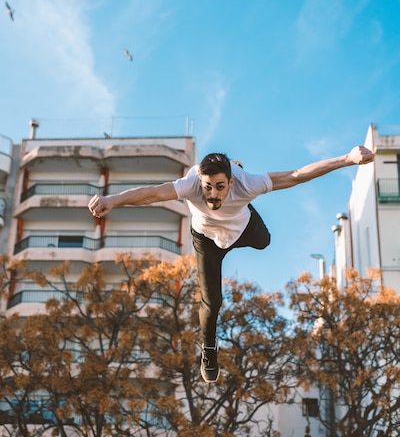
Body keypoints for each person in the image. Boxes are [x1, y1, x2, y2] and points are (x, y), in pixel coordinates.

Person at [88, 144, 374, 383]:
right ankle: (209, 349)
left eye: (220, 187)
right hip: (207, 239)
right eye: (208, 187)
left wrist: (347, 159)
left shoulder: (248, 182)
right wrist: (113, 200)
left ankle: (246, 201)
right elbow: (152, 193)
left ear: (231, 183)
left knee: (265, 241)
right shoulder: (191, 184)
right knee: (212, 302)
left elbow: (297, 175)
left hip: (242, 229)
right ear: (200, 180)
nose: (212, 195)